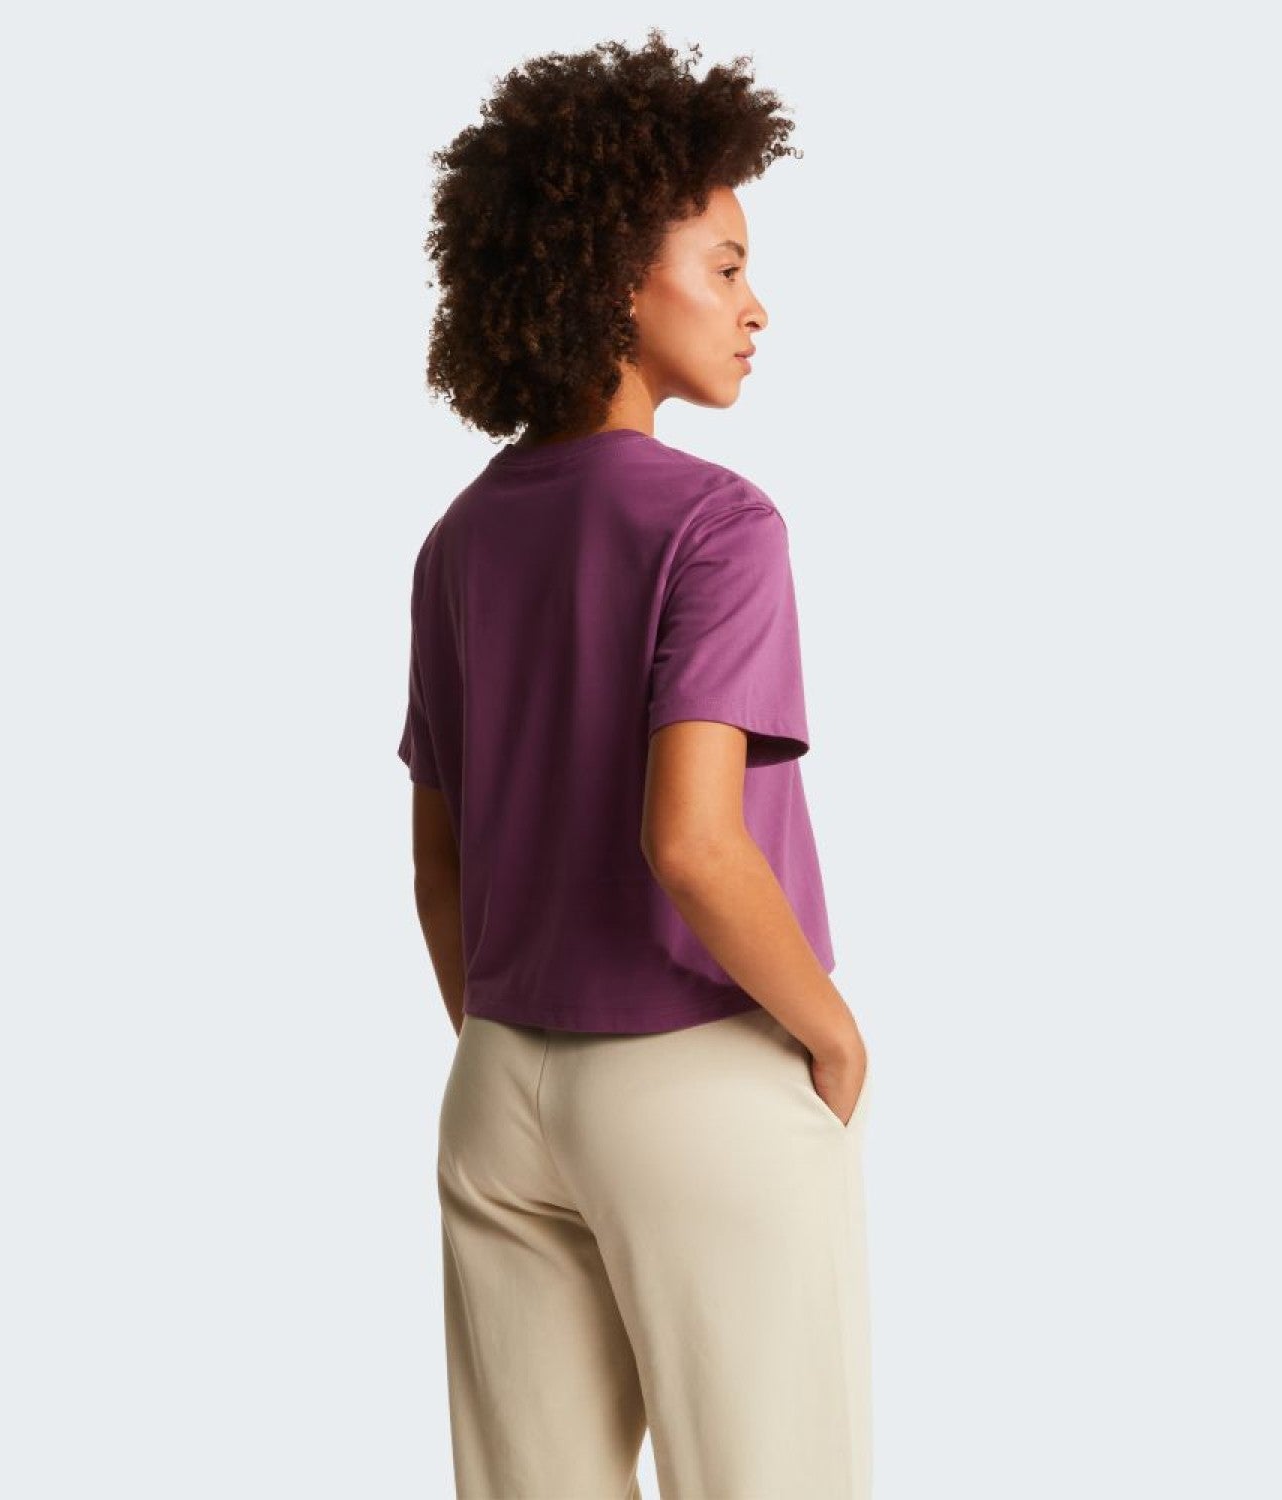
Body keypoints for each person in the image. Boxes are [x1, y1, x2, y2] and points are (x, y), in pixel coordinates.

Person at [397, 30, 873, 1500]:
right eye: (724, 267)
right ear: (615, 279)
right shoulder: (719, 526)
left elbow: (439, 866)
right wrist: (832, 1036)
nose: (756, 306)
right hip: (695, 1077)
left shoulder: (461, 539)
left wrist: (513, 1047)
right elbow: (693, 843)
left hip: (497, 1089)